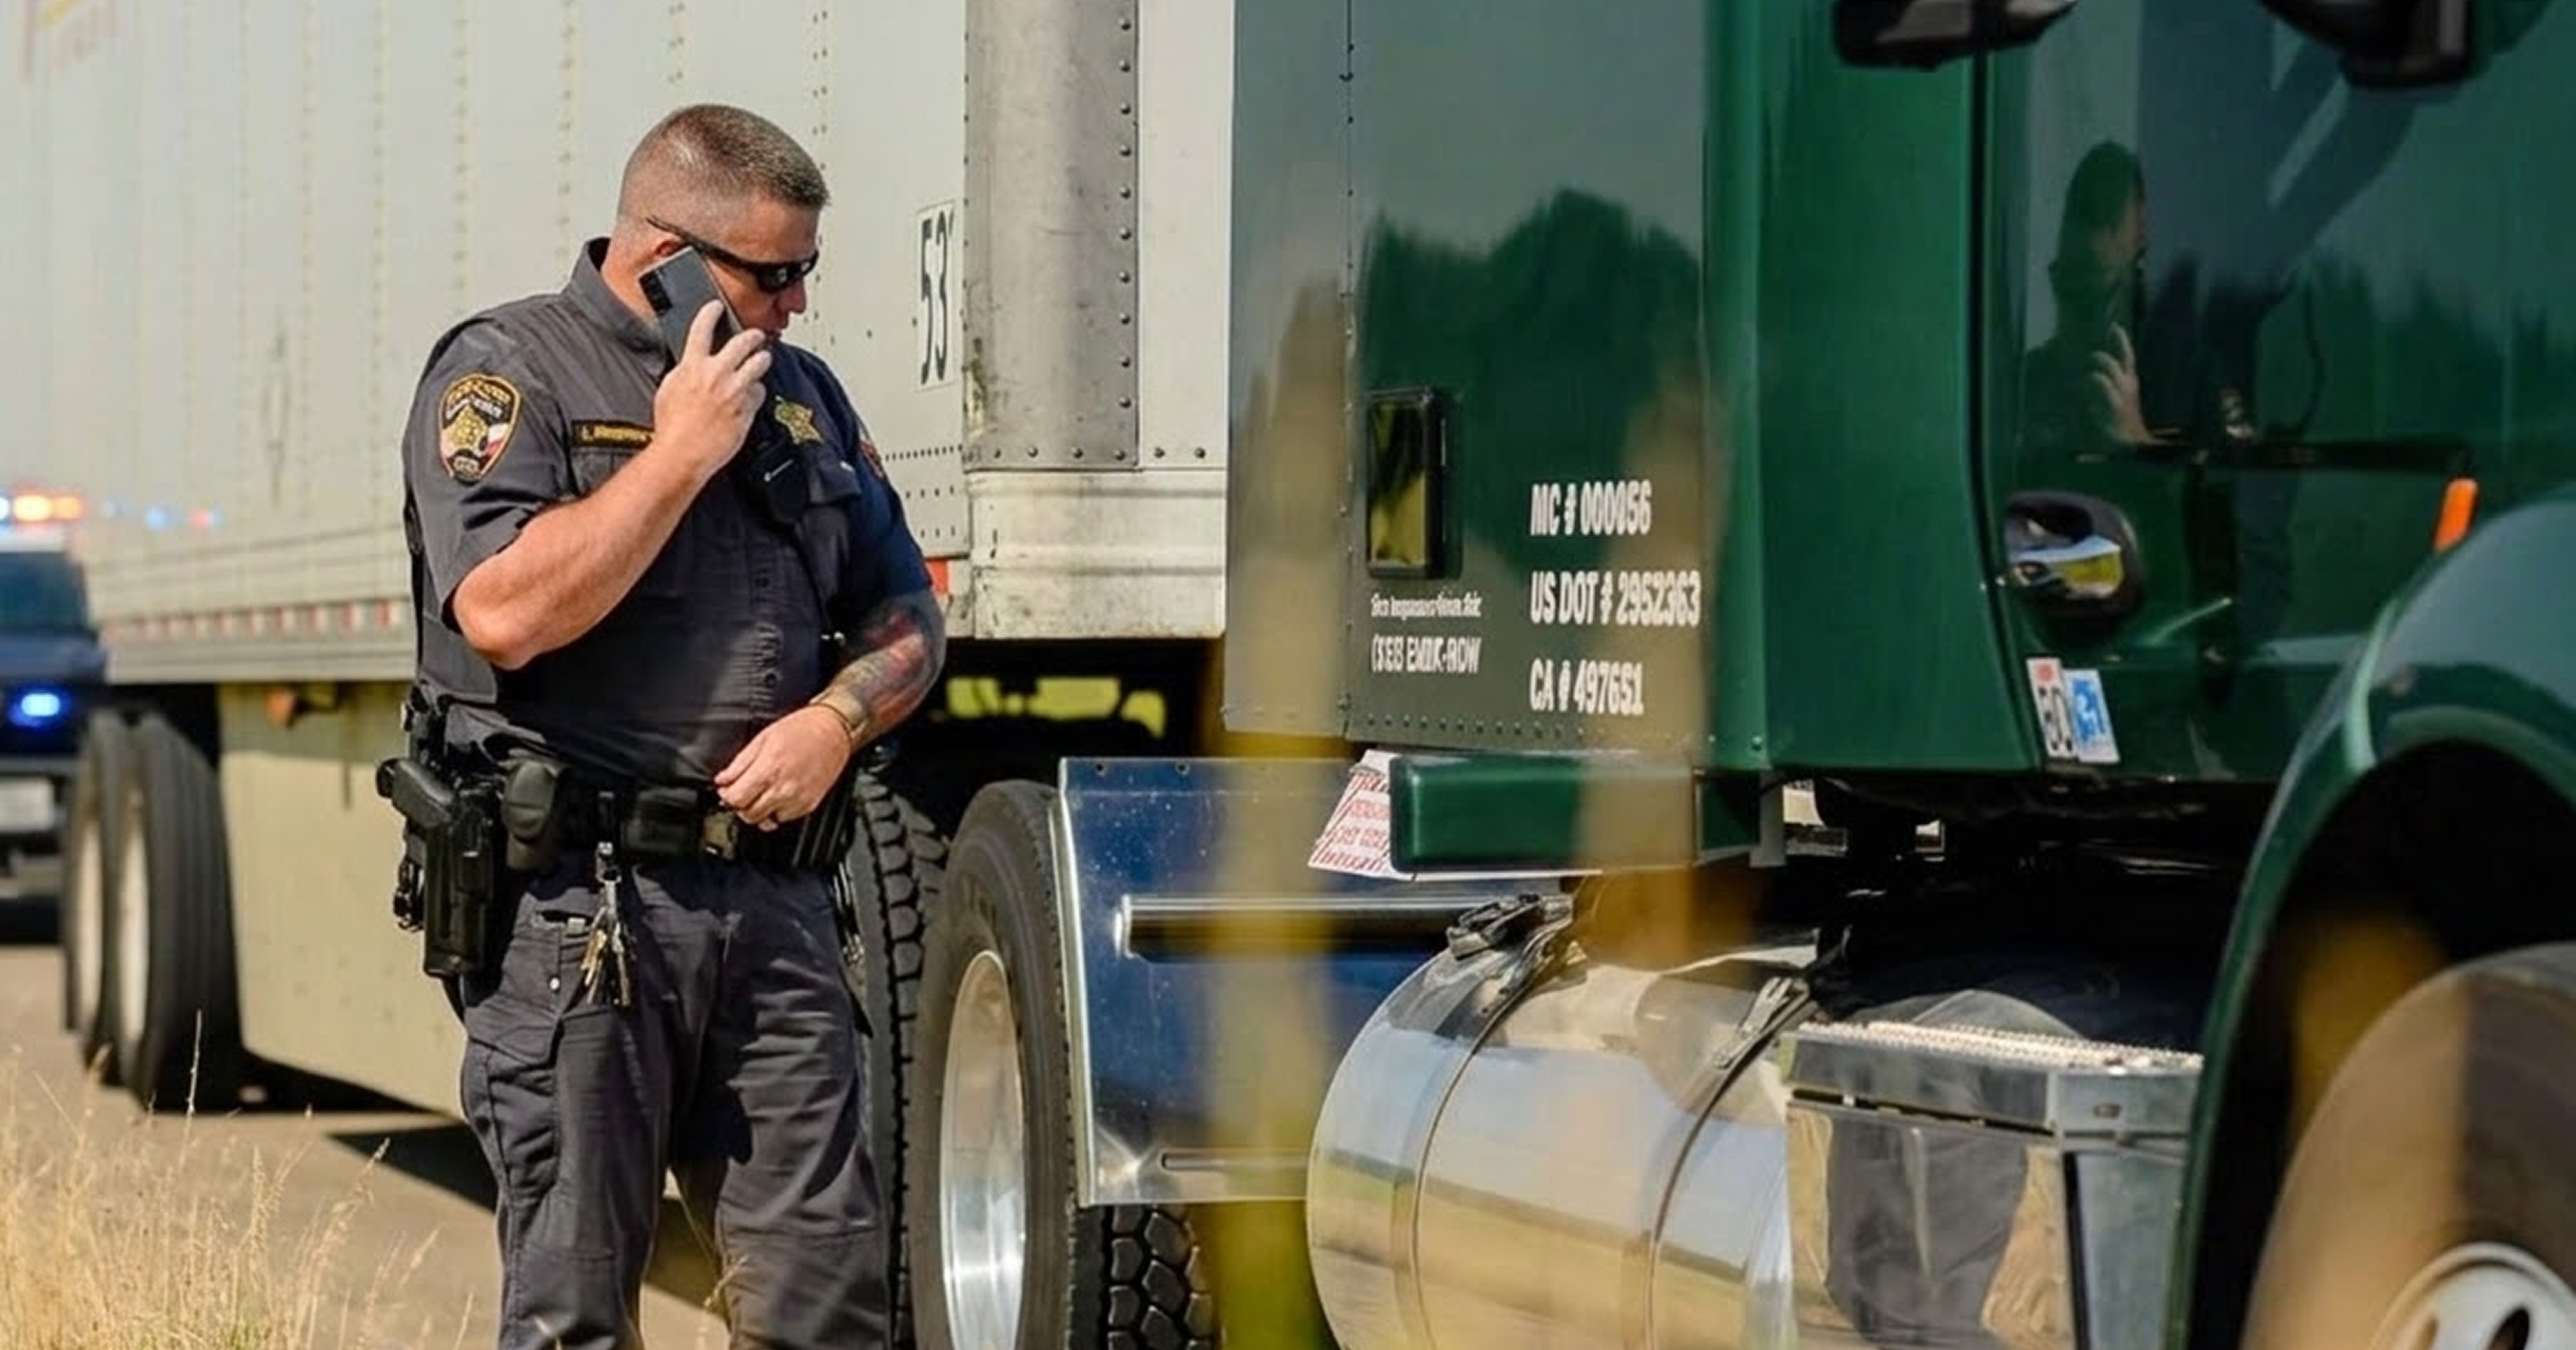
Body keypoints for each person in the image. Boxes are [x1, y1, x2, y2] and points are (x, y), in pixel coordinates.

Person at [394, 103, 943, 1350]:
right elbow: (504, 613)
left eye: (808, 269)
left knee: (825, 1306)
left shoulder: (801, 394)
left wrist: (836, 720)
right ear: (667, 257)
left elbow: (906, 610)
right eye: (773, 275)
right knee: (576, 1311)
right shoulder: (510, 373)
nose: (797, 303)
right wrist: (680, 451)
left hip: (777, 914)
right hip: (583, 917)